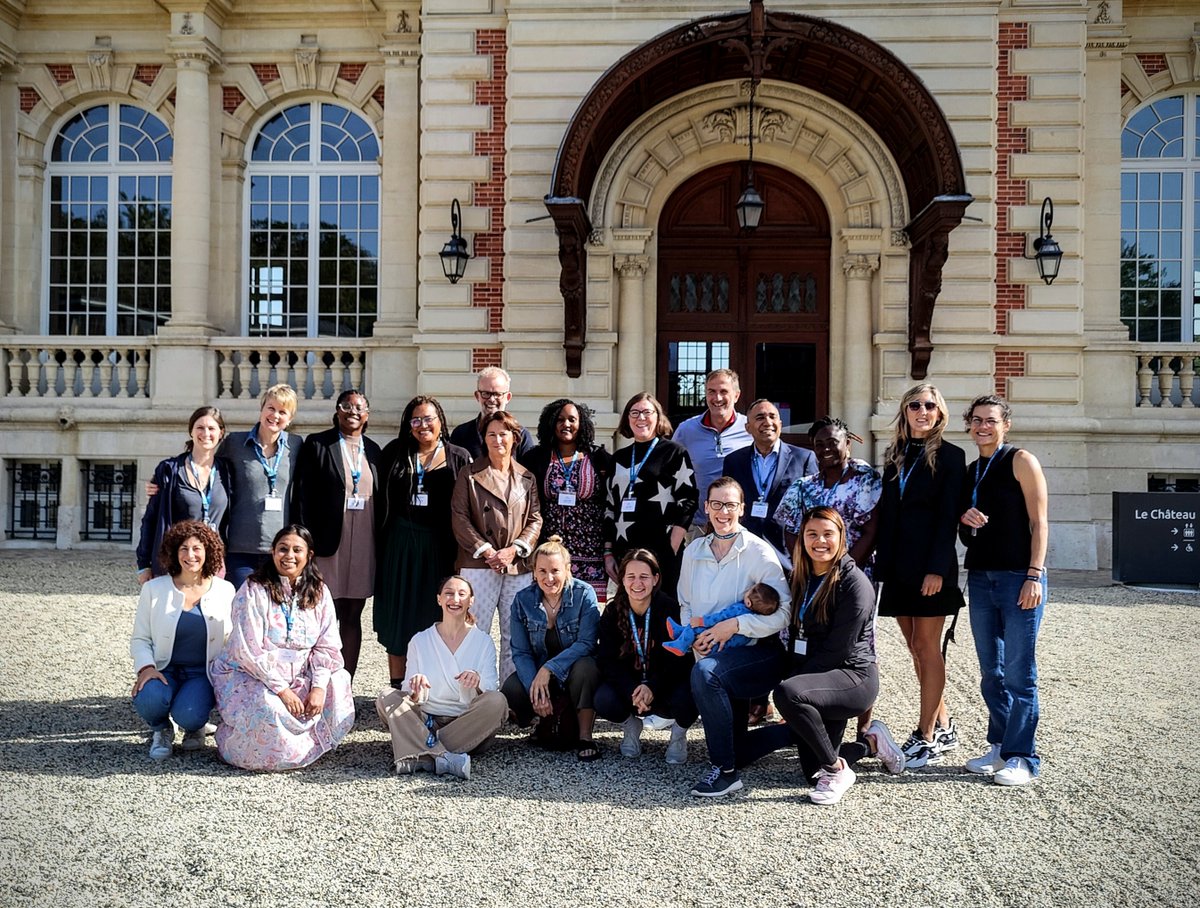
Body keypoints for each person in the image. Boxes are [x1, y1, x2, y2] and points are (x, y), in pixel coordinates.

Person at [738, 507, 896, 805]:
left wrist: (797, 689)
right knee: (811, 770)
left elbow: (838, 650)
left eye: (828, 534)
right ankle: (871, 743)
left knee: (788, 694)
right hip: (816, 675)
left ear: (841, 538)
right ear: (802, 538)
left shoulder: (855, 585)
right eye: (812, 534)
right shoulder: (802, 576)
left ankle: (837, 771)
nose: (819, 541)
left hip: (851, 676)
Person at [678, 477, 791, 797]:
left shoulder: (758, 552)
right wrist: (692, 636)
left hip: (755, 653)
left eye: (730, 505)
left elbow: (783, 614)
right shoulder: (694, 551)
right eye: (716, 504)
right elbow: (685, 602)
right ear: (706, 508)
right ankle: (794, 733)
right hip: (710, 653)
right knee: (737, 748)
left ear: (741, 509)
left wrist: (736, 626)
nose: (723, 511)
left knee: (705, 673)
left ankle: (725, 775)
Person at [874, 383, 967, 768]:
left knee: (929, 649)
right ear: (906, 411)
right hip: (898, 566)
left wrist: (936, 570)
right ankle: (944, 723)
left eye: (930, 405)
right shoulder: (895, 456)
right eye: (915, 405)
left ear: (940, 413)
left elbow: (948, 518)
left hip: (931, 567)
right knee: (914, 648)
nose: (922, 411)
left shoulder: (951, 456)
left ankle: (925, 735)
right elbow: (889, 514)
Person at [958, 394, 1049, 787]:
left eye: (991, 420)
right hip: (980, 577)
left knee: (1019, 674)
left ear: (1005, 424)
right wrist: (965, 517)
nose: (983, 426)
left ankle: (1023, 757)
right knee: (990, 672)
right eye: (977, 420)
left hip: (1018, 577)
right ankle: (1000, 745)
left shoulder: (1020, 460)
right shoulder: (971, 470)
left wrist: (1034, 574)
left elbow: (1040, 522)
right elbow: (966, 533)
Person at [211, 525, 354, 771]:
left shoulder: (319, 591)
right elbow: (248, 650)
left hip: (302, 672)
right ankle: (252, 750)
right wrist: (283, 691)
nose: (289, 556)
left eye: (297, 550)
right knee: (269, 709)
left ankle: (310, 745)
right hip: (253, 674)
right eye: (283, 549)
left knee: (339, 680)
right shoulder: (254, 589)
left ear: (308, 555)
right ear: (273, 552)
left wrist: (318, 688)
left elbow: (327, 645)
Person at [374, 395, 471, 688]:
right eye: (416, 420)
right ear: (408, 425)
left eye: (429, 419)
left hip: (440, 548)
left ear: (440, 422)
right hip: (400, 544)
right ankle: (398, 685)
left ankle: (435, 684)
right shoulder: (394, 452)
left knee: (435, 613)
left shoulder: (459, 456)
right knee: (399, 614)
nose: (422, 425)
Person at [375, 575, 507, 780]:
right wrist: (417, 691)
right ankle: (443, 757)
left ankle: (419, 750)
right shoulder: (420, 640)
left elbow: (491, 686)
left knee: (498, 701)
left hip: (466, 725)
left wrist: (477, 680)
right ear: (439, 599)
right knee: (387, 696)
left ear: (471, 601)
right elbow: (409, 693)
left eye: (462, 594)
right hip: (427, 719)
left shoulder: (483, 641)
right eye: (449, 593)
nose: (455, 599)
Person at [290, 389, 381, 678]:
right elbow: (302, 496)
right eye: (347, 406)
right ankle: (313, 680)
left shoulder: (376, 451)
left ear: (367, 414)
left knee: (352, 616)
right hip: (327, 544)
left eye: (359, 407)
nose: (353, 412)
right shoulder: (317, 444)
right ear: (337, 410)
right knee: (318, 614)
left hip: (364, 543)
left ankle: (344, 683)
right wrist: (303, 544)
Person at [450, 410, 543, 683]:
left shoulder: (528, 477)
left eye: (503, 434)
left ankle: (510, 693)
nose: (498, 439)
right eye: (491, 434)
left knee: (514, 633)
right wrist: (487, 551)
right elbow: (459, 516)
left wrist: (514, 550)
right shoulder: (469, 474)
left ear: (515, 438)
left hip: (517, 566)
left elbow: (535, 519)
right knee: (473, 628)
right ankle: (468, 692)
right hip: (478, 563)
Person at [130, 520, 235, 760]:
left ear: (208, 552)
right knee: (149, 698)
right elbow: (140, 638)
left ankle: (194, 726)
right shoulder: (154, 589)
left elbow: (232, 640)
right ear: (174, 552)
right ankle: (161, 729)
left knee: (188, 712)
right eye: (184, 549)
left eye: (197, 548)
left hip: (202, 673)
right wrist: (146, 668)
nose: (190, 555)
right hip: (164, 669)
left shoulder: (225, 590)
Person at [503, 536, 602, 762]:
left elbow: (587, 643)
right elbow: (520, 651)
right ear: (534, 573)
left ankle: (585, 735)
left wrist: (549, 668)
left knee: (587, 667)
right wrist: (535, 688)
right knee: (512, 687)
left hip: (573, 670)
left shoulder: (584, 594)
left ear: (568, 570)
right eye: (542, 571)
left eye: (555, 570)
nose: (549, 578)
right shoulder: (522, 600)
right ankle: (544, 723)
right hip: (540, 671)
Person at [594, 549, 694, 763]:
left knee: (693, 692)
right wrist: (632, 689)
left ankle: (678, 735)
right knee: (603, 699)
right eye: (631, 577)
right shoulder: (612, 612)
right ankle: (631, 726)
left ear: (655, 579)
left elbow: (680, 660)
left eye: (644, 577)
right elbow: (606, 660)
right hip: (630, 688)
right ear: (622, 579)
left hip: (663, 687)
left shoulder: (670, 608)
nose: (637, 583)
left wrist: (652, 686)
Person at [604, 392, 699, 597]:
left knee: (665, 612)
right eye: (634, 412)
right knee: (629, 610)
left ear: (658, 417)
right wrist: (608, 552)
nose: (641, 418)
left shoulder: (675, 452)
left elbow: (689, 498)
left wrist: (673, 544)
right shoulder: (619, 458)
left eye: (647, 412)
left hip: (663, 552)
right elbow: (610, 507)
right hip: (625, 552)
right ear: (627, 419)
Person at [521, 398, 614, 601]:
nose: (566, 424)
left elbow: (610, 502)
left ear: (582, 424)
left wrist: (609, 548)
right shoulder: (536, 457)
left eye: (572, 419)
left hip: (591, 551)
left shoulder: (599, 458)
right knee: (550, 608)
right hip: (550, 549)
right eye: (560, 420)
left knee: (587, 609)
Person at [219, 384, 303, 590]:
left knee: (275, 614)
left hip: (281, 551)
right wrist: (163, 478)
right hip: (241, 548)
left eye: (282, 412)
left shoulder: (297, 445)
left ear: (289, 419)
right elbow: (204, 466)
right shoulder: (235, 444)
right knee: (240, 612)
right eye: (271, 408)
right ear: (261, 409)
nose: (275, 415)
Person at [136, 406, 232, 583]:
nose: (206, 433)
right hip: (178, 559)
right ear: (191, 431)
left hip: (214, 562)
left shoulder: (227, 471)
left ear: (221, 433)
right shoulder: (169, 470)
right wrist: (144, 564)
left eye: (211, 428)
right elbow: (151, 519)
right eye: (200, 428)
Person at [721, 399, 817, 571]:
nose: (768, 422)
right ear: (748, 428)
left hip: (788, 556)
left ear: (780, 423)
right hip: (743, 555)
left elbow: (813, 510)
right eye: (760, 417)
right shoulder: (734, 461)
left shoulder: (804, 459)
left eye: (773, 417)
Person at [775, 416, 881, 569]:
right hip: (814, 573)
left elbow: (871, 531)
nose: (826, 449)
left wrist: (842, 571)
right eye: (819, 444)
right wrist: (807, 567)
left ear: (848, 444)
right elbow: (791, 531)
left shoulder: (864, 480)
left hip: (855, 572)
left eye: (833, 443)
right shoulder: (803, 487)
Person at [671, 369, 752, 536]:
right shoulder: (686, 431)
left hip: (741, 525)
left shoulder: (750, 429)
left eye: (724, 392)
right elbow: (671, 475)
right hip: (698, 526)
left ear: (736, 396)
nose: (718, 398)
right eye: (711, 392)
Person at [664, 582, 780, 656]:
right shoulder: (752, 621)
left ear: (748, 602)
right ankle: (679, 632)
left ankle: (680, 646)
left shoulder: (738, 610)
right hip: (722, 649)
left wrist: (701, 621)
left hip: (712, 641)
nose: (747, 589)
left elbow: (719, 617)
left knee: (694, 628)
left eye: (749, 590)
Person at [449, 366, 535, 459]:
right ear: (477, 396)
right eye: (486, 393)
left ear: (508, 397)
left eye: (498, 394)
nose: (492, 399)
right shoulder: (461, 434)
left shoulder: (521, 435)